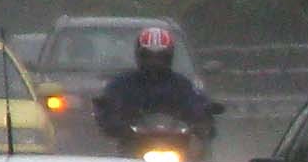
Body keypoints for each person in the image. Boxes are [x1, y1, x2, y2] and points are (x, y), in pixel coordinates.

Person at [89, 23, 214, 153]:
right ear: (139, 56)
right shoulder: (123, 84)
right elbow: (108, 105)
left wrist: (203, 119)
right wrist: (114, 123)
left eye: (161, 57)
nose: (154, 62)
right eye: (148, 57)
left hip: (177, 147)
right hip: (133, 146)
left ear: (169, 57)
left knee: (200, 158)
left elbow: (196, 104)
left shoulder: (182, 85)